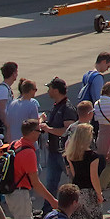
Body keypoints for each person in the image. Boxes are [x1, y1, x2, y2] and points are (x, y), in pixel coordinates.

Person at [7, 118, 59, 219]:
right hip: (20, 194)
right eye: (38, 131)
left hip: (13, 193)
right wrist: (52, 201)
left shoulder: (15, 144)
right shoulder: (28, 152)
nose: (40, 133)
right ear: (31, 133)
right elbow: (36, 183)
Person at [39, 77, 79, 209]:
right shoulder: (56, 106)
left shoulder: (67, 108)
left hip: (64, 154)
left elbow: (68, 131)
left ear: (56, 90)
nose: (48, 91)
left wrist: (48, 129)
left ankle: (74, 209)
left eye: (49, 88)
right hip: (53, 151)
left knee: (73, 182)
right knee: (50, 184)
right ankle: (47, 210)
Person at [64, 123, 103, 219]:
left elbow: (73, 174)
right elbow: (94, 178)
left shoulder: (71, 155)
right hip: (89, 191)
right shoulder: (93, 156)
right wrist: (99, 193)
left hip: (76, 190)